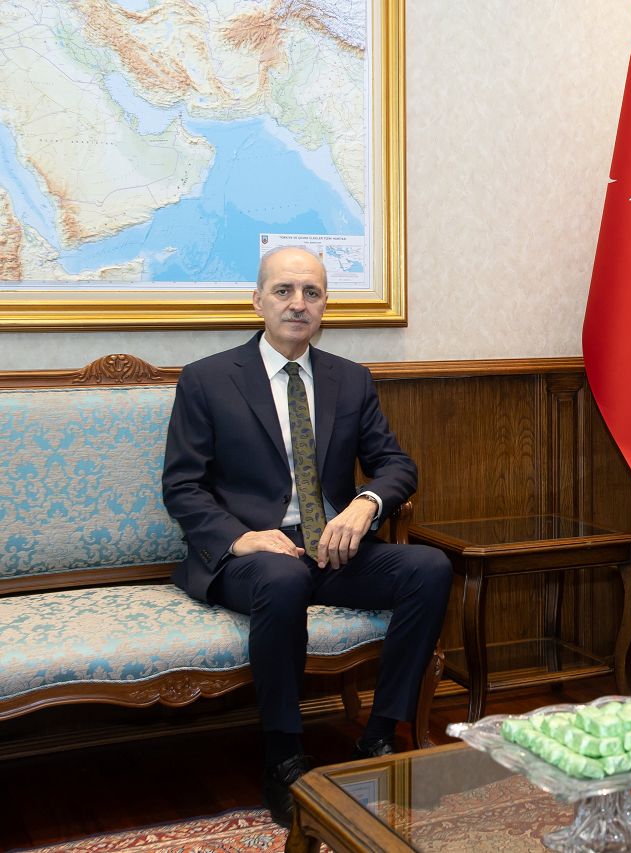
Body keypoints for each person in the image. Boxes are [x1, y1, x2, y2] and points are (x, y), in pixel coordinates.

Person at [162, 246, 452, 827]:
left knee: (429, 568)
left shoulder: (351, 379)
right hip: (253, 558)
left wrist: (366, 504)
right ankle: (284, 756)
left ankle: (378, 738)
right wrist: (239, 539)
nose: (298, 304)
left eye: (311, 293)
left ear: (324, 305)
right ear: (258, 301)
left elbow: (396, 465)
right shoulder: (208, 379)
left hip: (331, 549)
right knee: (282, 576)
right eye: (284, 291)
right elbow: (182, 486)